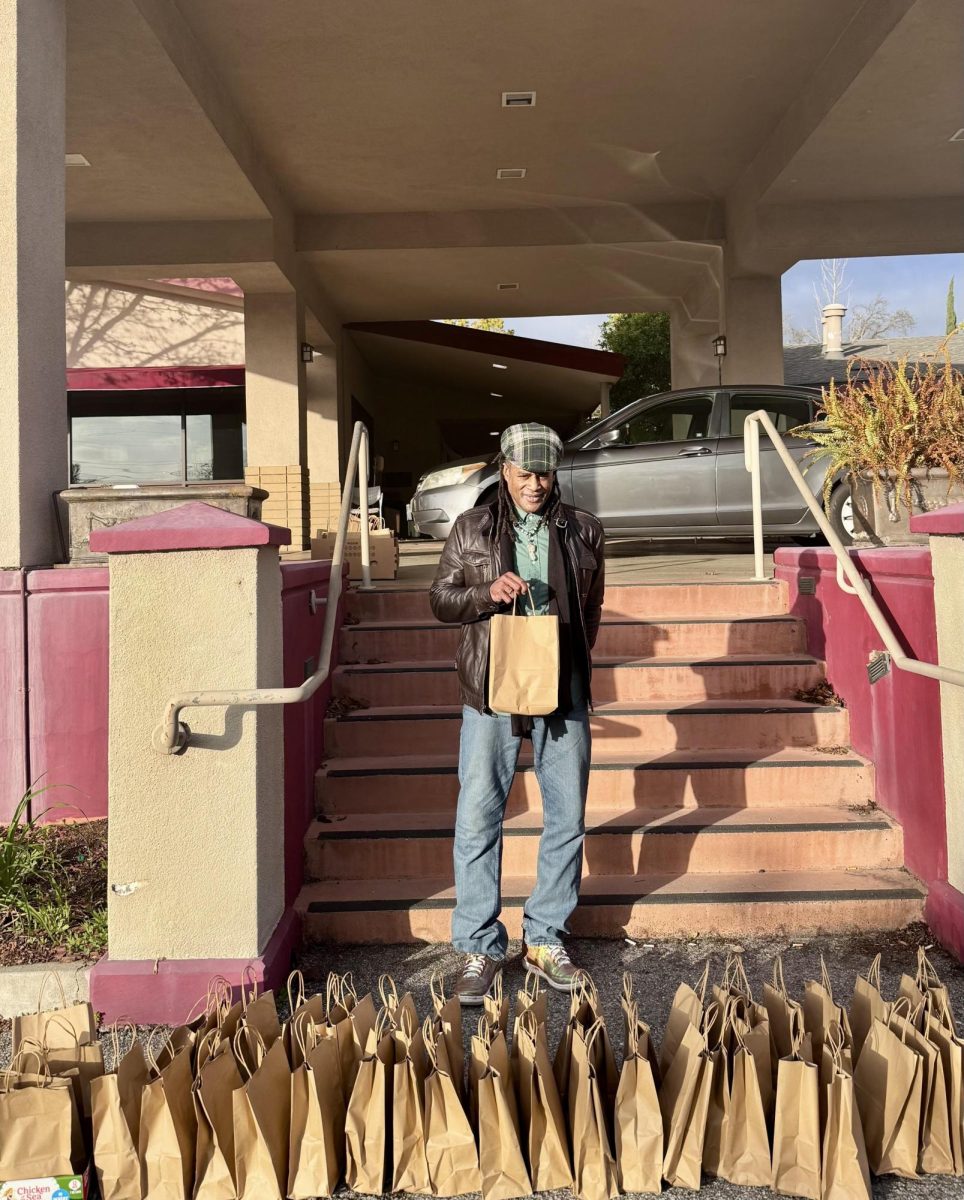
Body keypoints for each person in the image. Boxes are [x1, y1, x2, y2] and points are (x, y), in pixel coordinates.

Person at [429, 422, 605, 1002]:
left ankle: (545, 938)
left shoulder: (584, 530)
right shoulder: (472, 528)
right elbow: (440, 600)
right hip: (490, 689)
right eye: (525, 472)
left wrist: (568, 665)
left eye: (545, 473)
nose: (535, 483)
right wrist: (484, 594)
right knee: (479, 813)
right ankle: (479, 947)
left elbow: (591, 610)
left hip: (563, 687)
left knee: (567, 815)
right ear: (504, 469)